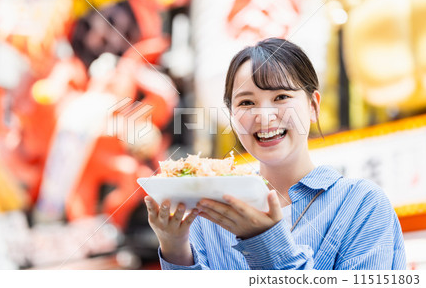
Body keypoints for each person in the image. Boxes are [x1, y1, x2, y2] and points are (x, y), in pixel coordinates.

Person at [144, 38, 406, 270]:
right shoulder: (207, 212)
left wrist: (264, 240)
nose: (265, 117)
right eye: (246, 102)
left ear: (313, 106)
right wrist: (175, 248)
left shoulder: (362, 205)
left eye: (281, 96)